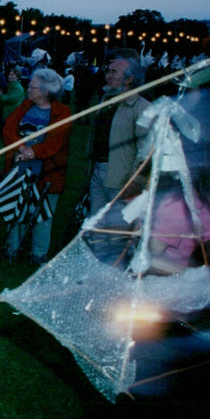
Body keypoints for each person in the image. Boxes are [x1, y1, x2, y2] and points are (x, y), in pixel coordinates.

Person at [85, 50, 150, 265]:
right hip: (99, 172)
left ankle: (115, 275)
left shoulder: (141, 108)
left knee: (117, 233)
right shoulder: (108, 100)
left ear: (129, 79)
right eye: (108, 71)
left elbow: (146, 148)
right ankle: (98, 271)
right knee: (96, 227)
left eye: (114, 72)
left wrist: (135, 179)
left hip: (121, 178)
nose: (108, 75)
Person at [2, 68, 72, 263]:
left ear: (46, 91)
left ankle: (38, 252)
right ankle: (13, 246)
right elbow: (8, 129)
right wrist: (22, 147)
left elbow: (55, 142)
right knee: (18, 207)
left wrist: (33, 152)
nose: (28, 90)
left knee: (44, 214)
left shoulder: (62, 113)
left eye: (32, 87)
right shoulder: (25, 106)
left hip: (49, 172)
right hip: (20, 168)